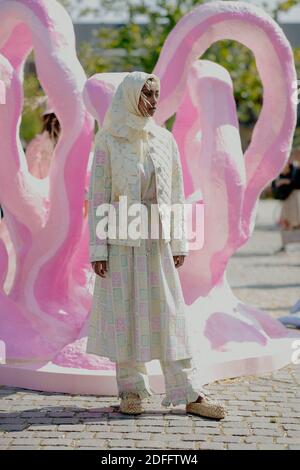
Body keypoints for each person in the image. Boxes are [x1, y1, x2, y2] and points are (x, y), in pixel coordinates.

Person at [86, 71, 226, 419]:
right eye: (146, 95)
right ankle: (130, 390)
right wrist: (98, 248)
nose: (152, 102)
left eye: (156, 95)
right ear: (131, 96)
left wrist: (179, 240)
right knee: (125, 314)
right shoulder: (108, 140)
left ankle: (190, 391)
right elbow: (99, 196)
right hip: (120, 239)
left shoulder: (164, 140)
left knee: (170, 315)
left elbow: (176, 193)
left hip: (157, 241)